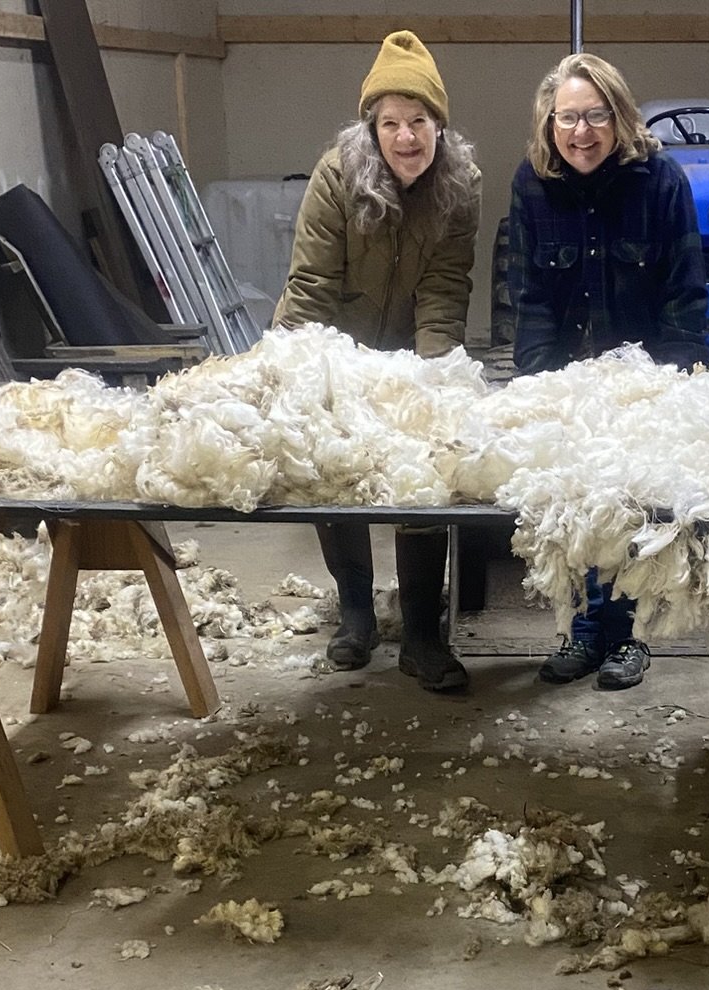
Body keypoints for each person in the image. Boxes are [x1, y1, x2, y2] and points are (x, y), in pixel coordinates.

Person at [276, 30, 481, 692]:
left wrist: (434, 384)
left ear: (438, 125)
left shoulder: (460, 185)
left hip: (410, 348)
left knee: (424, 471)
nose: (405, 137)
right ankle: (357, 614)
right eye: (390, 122)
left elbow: (446, 291)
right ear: (373, 126)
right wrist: (294, 371)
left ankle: (422, 632)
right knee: (336, 471)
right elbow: (310, 287)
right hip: (340, 345)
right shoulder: (337, 176)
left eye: (418, 120)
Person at [506, 52, 709, 692]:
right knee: (573, 508)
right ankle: (584, 630)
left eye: (596, 115)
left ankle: (629, 636)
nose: (581, 132)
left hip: (644, 379)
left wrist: (672, 384)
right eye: (568, 117)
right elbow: (529, 293)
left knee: (636, 510)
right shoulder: (532, 184)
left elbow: (684, 293)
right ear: (550, 122)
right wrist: (536, 383)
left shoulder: (661, 183)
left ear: (619, 117)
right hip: (569, 381)